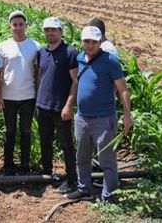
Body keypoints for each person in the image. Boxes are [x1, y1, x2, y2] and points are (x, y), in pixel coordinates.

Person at [65, 26, 132, 202]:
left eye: (94, 42)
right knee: (82, 156)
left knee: (106, 158)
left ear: (100, 43)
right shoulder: (80, 58)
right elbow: (77, 83)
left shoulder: (110, 61)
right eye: (87, 41)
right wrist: (70, 105)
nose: (90, 45)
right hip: (82, 118)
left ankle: (110, 196)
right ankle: (84, 188)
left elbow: (122, 89)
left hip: (104, 118)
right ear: (82, 42)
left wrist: (127, 115)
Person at [0, 10, 40, 175]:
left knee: (26, 132)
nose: (18, 27)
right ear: (10, 27)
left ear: (26, 26)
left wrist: (38, 96)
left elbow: (37, 73)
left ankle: (25, 166)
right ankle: (8, 166)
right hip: (8, 97)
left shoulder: (35, 46)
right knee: (10, 131)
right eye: (15, 25)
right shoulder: (2, 47)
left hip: (28, 96)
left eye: (21, 24)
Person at [35, 17, 78, 193]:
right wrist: (38, 99)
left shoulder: (69, 52)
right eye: (47, 30)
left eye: (53, 29)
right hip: (43, 105)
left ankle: (71, 179)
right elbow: (39, 77)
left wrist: (69, 105)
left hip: (61, 108)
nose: (50, 33)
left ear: (61, 31)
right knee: (45, 142)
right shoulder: (42, 52)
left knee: (66, 145)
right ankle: (47, 173)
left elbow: (76, 81)